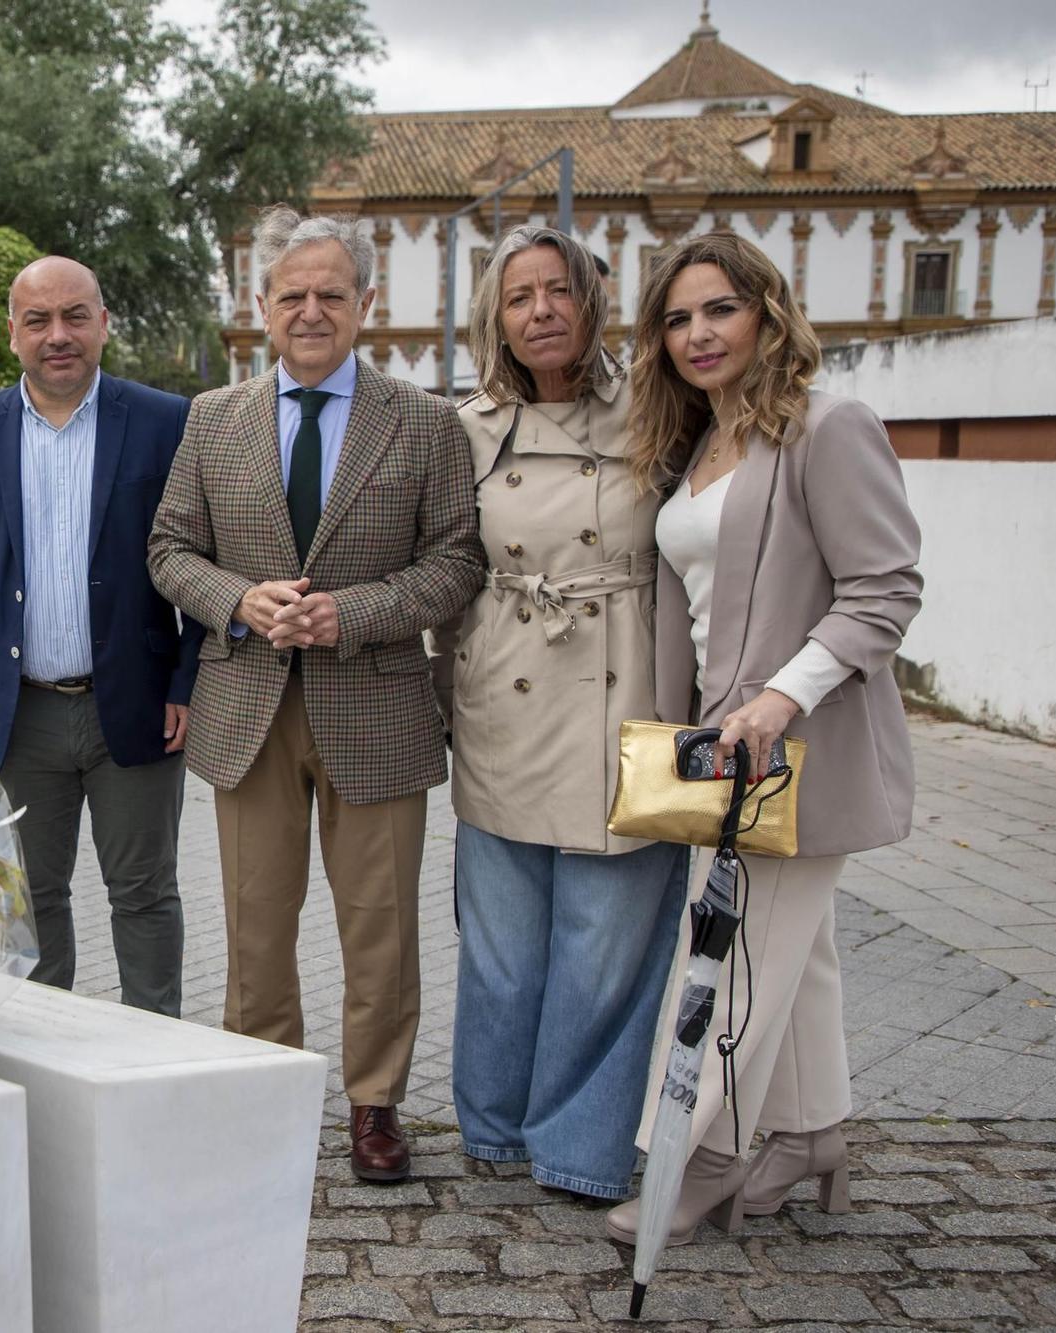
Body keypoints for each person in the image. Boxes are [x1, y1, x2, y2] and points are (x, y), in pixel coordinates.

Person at [147, 207, 484, 1181]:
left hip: (375, 706)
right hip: (248, 709)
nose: (309, 311)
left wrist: (353, 613)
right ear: (260, 305)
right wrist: (237, 600)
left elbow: (456, 561)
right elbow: (169, 548)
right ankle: (264, 1095)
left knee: (379, 925)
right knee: (255, 925)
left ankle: (375, 1104)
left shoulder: (425, 421)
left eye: (329, 294)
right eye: (290, 294)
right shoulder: (212, 418)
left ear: (364, 302)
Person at [604, 230, 923, 1244]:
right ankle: (810, 1134)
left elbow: (884, 590)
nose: (697, 334)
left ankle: (700, 1157)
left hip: (796, 752)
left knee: (729, 953)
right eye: (676, 318)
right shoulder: (697, 444)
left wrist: (783, 697)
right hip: (720, 751)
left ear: (767, 314)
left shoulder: (827, 429)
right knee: (797, 952)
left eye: (720, 309)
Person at [434, 226, 689, 1202]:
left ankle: (578, 1146)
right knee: (501, 946)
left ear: (592, 300)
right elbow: (444, 568)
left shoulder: (659, 409)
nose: (541, 311)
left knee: (606, 946)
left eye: (559, 290)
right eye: (518, 296)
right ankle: (494, 1125)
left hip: (629, 689)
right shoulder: (466, 428)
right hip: (503, 686)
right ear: (493, 319)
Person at [0, 255, 202, 1016]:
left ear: (104, 324)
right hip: (14, 714)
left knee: (144, 895)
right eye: (38, 320)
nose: (58, 335)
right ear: (13, 332)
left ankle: (153, 1054)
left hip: (138, 705)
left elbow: (204, 558)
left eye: (75, 316)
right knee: (28, 900)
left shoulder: (168, 421)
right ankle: (45, 1056)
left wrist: (187, 682)